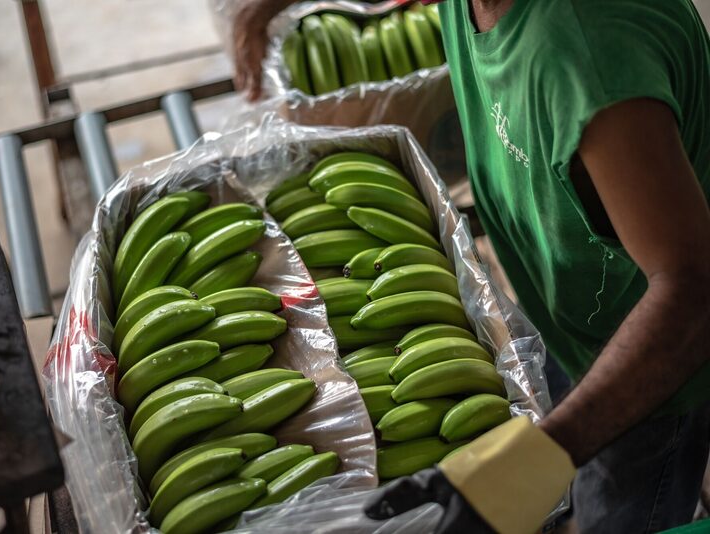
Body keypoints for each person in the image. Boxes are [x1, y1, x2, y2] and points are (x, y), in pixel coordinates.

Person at [233, 0, 710, 532]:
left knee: (614, 506)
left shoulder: (587, 58)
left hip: (651, 370)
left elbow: (692, 293)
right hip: (567, 305)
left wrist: (541, 457)